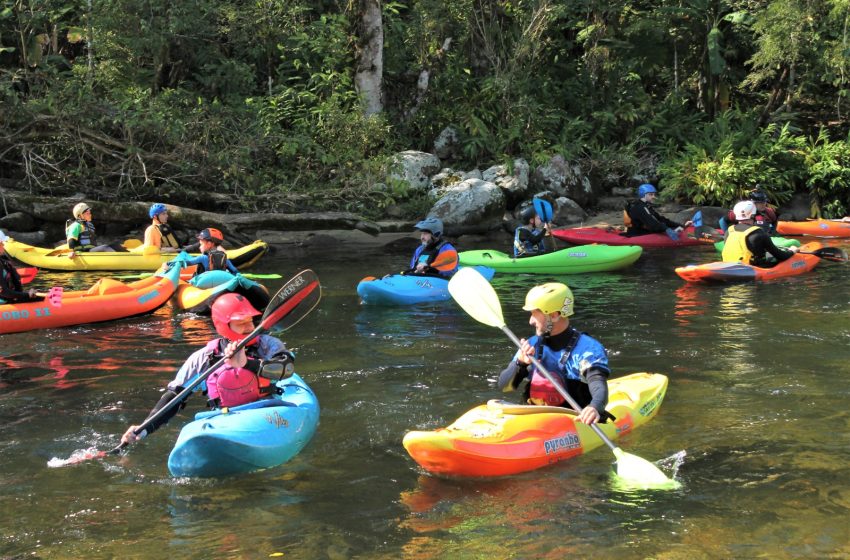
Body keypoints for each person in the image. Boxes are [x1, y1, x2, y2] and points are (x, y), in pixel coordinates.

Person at [120, 293, 295, 445]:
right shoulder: (204, 358)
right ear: (224, 326)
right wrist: (144, 428)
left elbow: (286, 369)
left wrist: (247, 364)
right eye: (241, 322)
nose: (249, 327)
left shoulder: (267, 344)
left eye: (249, 320)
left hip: (267, 412)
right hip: (226, 418)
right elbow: (175, 396)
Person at [497, 282, 612, 425]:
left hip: (574, 421)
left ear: (554, 315)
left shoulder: (587, 349)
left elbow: (598, 386)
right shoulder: (531, 345)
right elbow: (504, 387)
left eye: (534, 314)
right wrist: (520, 364)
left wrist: (594, 407)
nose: (530, 321)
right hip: (535, 419)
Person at [722, 201, 799, 267]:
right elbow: (781, 256)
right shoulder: (758, 233)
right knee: (773, 257)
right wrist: (792, 251)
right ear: (753, 215)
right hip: (750, 267)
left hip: (729, 264)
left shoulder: (729, 231)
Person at [624, 184, 693, 240]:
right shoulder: (640, 207)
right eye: (651, 194)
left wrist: (680, 225)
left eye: (654, 194)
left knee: (667, 225)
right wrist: (667, 229)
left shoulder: (646, 206)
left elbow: (660, 219)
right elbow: (652, 223)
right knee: (664, 227)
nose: (654, 196)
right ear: (643, 195)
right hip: (637, 235)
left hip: (644, 231)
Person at [0, 229, 44, 304]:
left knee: (40, 297)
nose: (3, 245)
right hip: (4, 304)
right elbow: (4, 292)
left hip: (9, 299)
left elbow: (14, 290)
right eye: (1, 243)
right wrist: (27, 295)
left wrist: (26, 294)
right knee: (39, 299)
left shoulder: (4, 262)